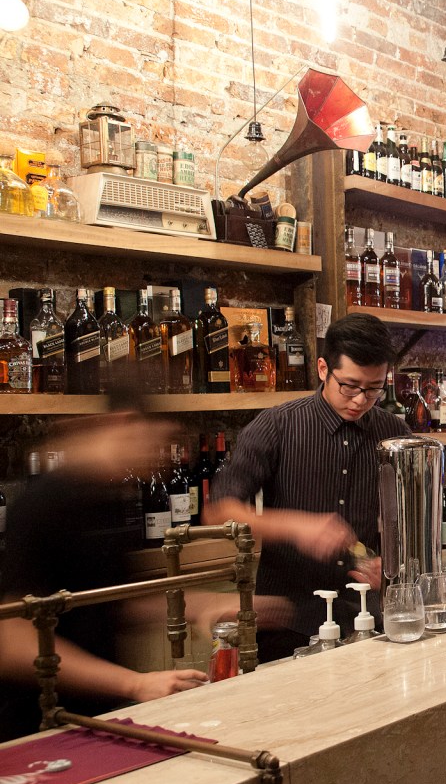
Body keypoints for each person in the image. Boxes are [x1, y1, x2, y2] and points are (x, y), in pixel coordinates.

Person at [206, 313, 410, 660]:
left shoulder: (394, 435)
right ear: (321, 369)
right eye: (349, 385)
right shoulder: (277, 426)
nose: (360, 400)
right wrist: (295, 525)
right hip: (289, 622)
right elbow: (218, 512)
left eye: (374, 389)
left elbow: (410, 518)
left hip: (369, 618)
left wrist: (395, 562)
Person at [0, 408, 208, 741]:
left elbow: (116, 602)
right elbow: (15, 643)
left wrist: (205, 606)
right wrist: (134, 683)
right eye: (155, 441)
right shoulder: (42, 505)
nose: (161, 458)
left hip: (97, 717)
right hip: (40, 725)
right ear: (125, 422)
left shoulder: (107, 498)